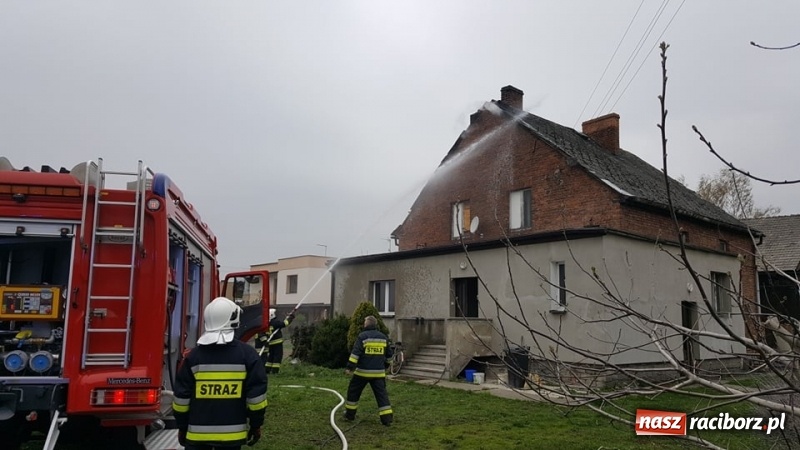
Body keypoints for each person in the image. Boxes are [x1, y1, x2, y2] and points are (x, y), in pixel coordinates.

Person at [172, 297, 268, 449]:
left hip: (196, 438)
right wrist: (256, 425)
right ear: (234, 319)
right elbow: (256, 399)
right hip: (232, 438)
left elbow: (181, 400)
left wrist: (182, 427)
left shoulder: (193, 357)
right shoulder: (248, 355)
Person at [343, 315, 394, 426]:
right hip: (378, 373)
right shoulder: (383, 337)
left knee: (353, 392)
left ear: (366, 324)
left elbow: (355, 354)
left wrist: (349, 368)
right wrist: (386, 366)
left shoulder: (363, 336)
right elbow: (389, 355)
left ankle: (349, 415)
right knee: (382, 395)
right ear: (375, 325)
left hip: (362, 372)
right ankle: (387, 419)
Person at [255, 308, 295, 374]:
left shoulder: (267, 324)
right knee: (278, 356)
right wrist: (291, 318)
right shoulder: (275, 322)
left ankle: (267, 369)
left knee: (271, 356)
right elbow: (285, 323)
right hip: (277, 342)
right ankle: (275, 371)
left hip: (270, 343)